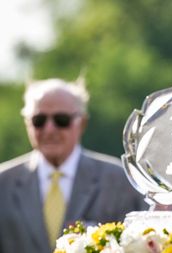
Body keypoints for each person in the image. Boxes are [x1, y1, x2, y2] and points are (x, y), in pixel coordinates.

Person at [0, 78, 147, 253]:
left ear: (82, 122)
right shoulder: (3, 184)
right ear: (27, 123)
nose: (49, 129)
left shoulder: (120, 181)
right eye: (39, 120)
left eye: (61, 120)